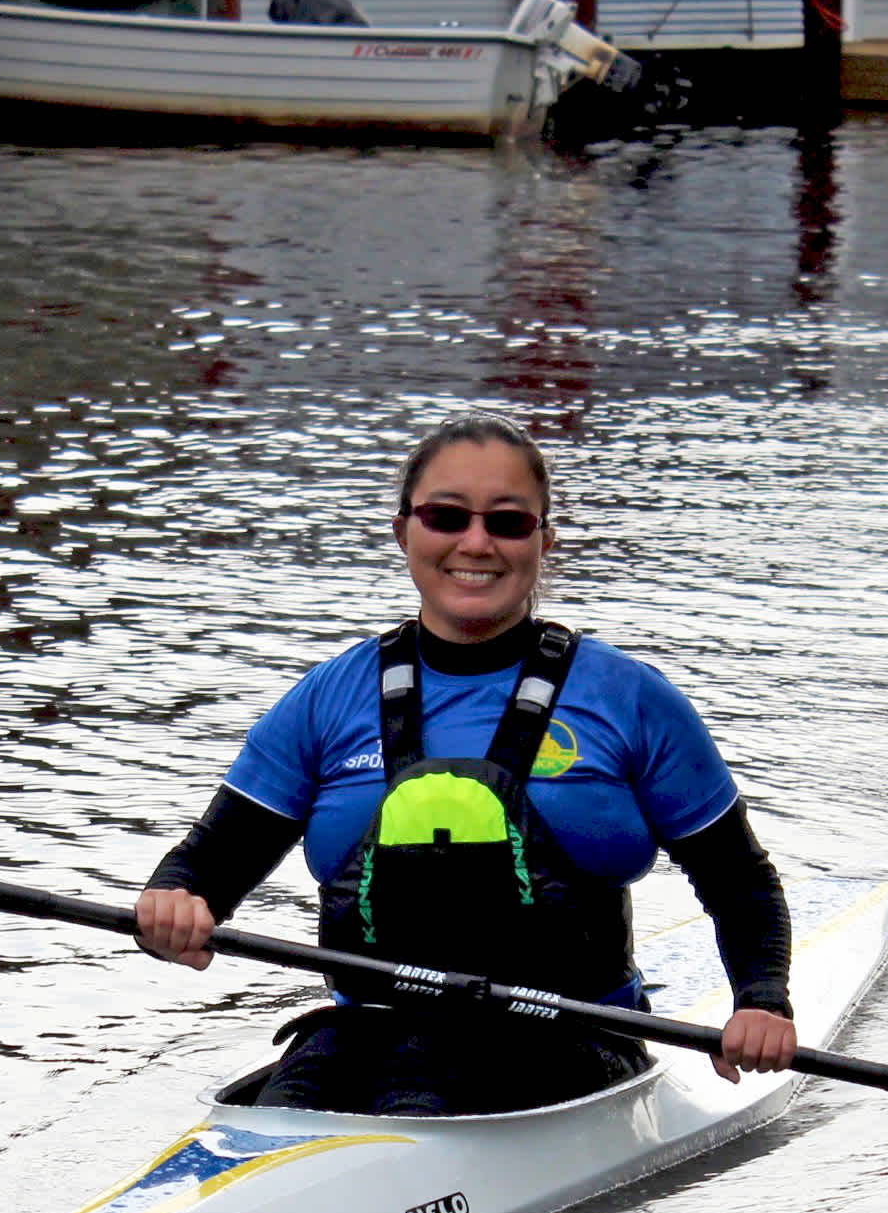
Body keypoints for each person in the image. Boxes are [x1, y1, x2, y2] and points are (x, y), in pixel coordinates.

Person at [135, 412, 800, 1116]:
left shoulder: (630, 699)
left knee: (423, 1081)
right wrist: (172, 906)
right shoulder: (326, 700)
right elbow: (207, 866)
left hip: (570, 1038)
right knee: (293, 1098)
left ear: (545, 542)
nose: (475, 543)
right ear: (405, 532)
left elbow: (737, 880)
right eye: (446, 516)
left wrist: (761, 1001)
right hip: (367, 1030)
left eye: (508, 523)